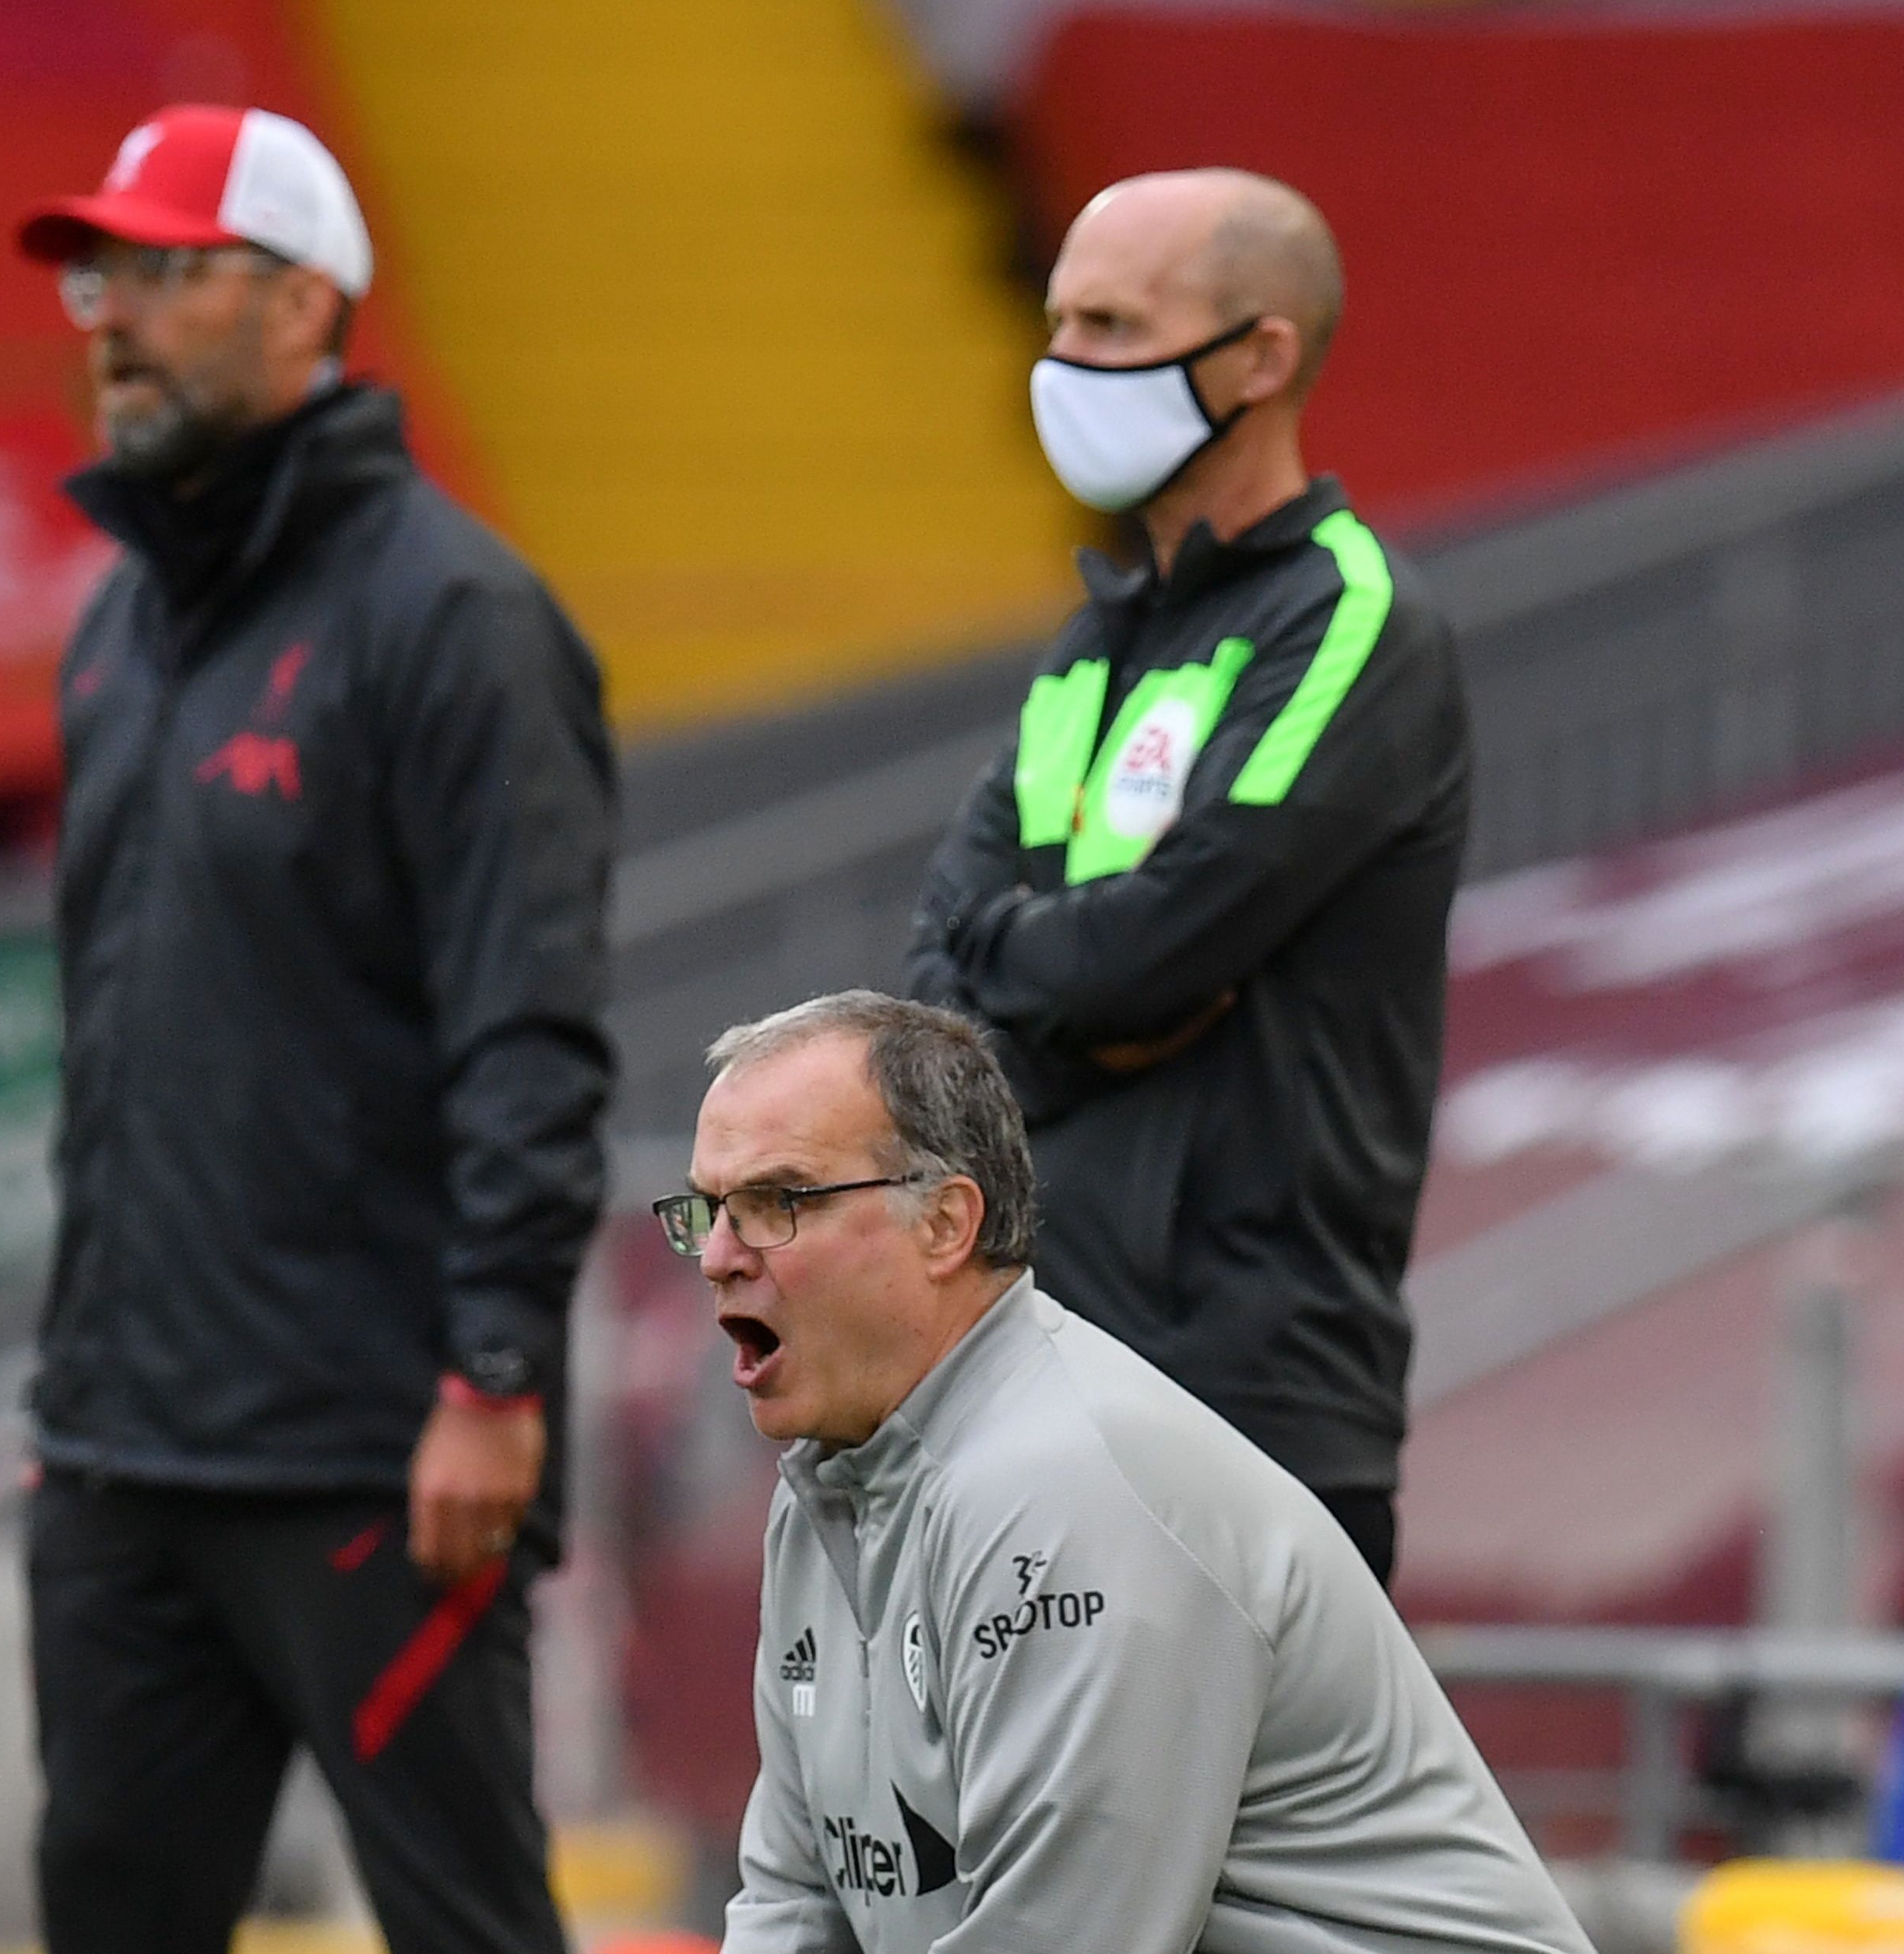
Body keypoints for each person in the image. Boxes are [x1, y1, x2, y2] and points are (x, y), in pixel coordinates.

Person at [12, 104, 614, 1954]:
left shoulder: (457, 617)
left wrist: (494, 1374)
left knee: (463, 1923)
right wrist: (77, 1391)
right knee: (106, 1918)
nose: (109, 317)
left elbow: (530, 1029)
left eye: (159, 274)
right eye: (92, 279)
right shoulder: (119, 624)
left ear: (303, 304)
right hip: (124, 1454)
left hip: (376, 1451)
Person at [657, 991, 1590, 1954]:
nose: (719, 1257)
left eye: (775, 1202)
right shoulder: (827, 1487)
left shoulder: (1069, 1488)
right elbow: (795, 1901)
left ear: (945, 1224)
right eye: (707, 1210)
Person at [905, 169, 1468, 1581]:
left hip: (1249, 1398)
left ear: (1261, 356)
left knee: (1228, 1818)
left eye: (1108, 325)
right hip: (1032, 1363)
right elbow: (937, 992)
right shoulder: (1088, 650)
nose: (1063, 366)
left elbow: (1140, 955)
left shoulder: (1349, 623)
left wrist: (1052, 973)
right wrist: (1078, 985)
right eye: (1058, 324)